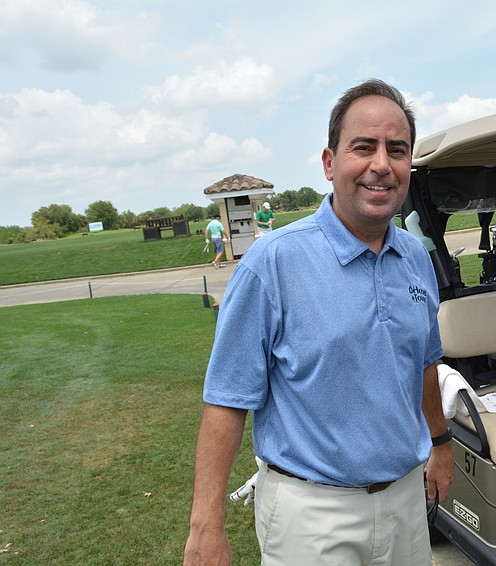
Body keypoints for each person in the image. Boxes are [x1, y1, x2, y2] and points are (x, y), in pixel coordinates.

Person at [184, 79, 453, 566]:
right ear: (330, 163)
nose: (381, 165)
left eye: (397, 150)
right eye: (363, 147)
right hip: (312, 515)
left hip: (405, 504)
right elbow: (226, 399)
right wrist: (206, 527)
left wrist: (440, 442)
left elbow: (424, 362)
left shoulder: (415, 257)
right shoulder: (272, 263)